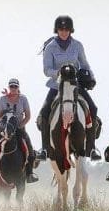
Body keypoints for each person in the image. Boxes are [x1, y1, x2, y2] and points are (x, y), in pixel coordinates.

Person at [38, 15, 101, 161]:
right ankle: (45, 148)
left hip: (75, 85)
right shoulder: (50, 47)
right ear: (57, 30)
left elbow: (84, 64)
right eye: (61, 29)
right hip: (57, 85)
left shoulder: (77, 45)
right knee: (45, 111)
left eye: (66, 29)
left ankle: (91, 148)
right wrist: (59, 73)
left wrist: (91, 77)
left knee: (93, 108)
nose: (64, 32)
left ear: (70, 30)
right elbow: (46, 70)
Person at [0, 79, 39, 183]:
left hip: (18, 128)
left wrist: (20, 125)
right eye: (11, 86)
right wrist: (4, 125)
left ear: (18, 87)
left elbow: (28, 116)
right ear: (9, 87)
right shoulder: (3, 99)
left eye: (15, 86)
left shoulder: (23, 99)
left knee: (30, 149)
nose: (13, 88)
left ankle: (29, 174)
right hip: (4, 128)